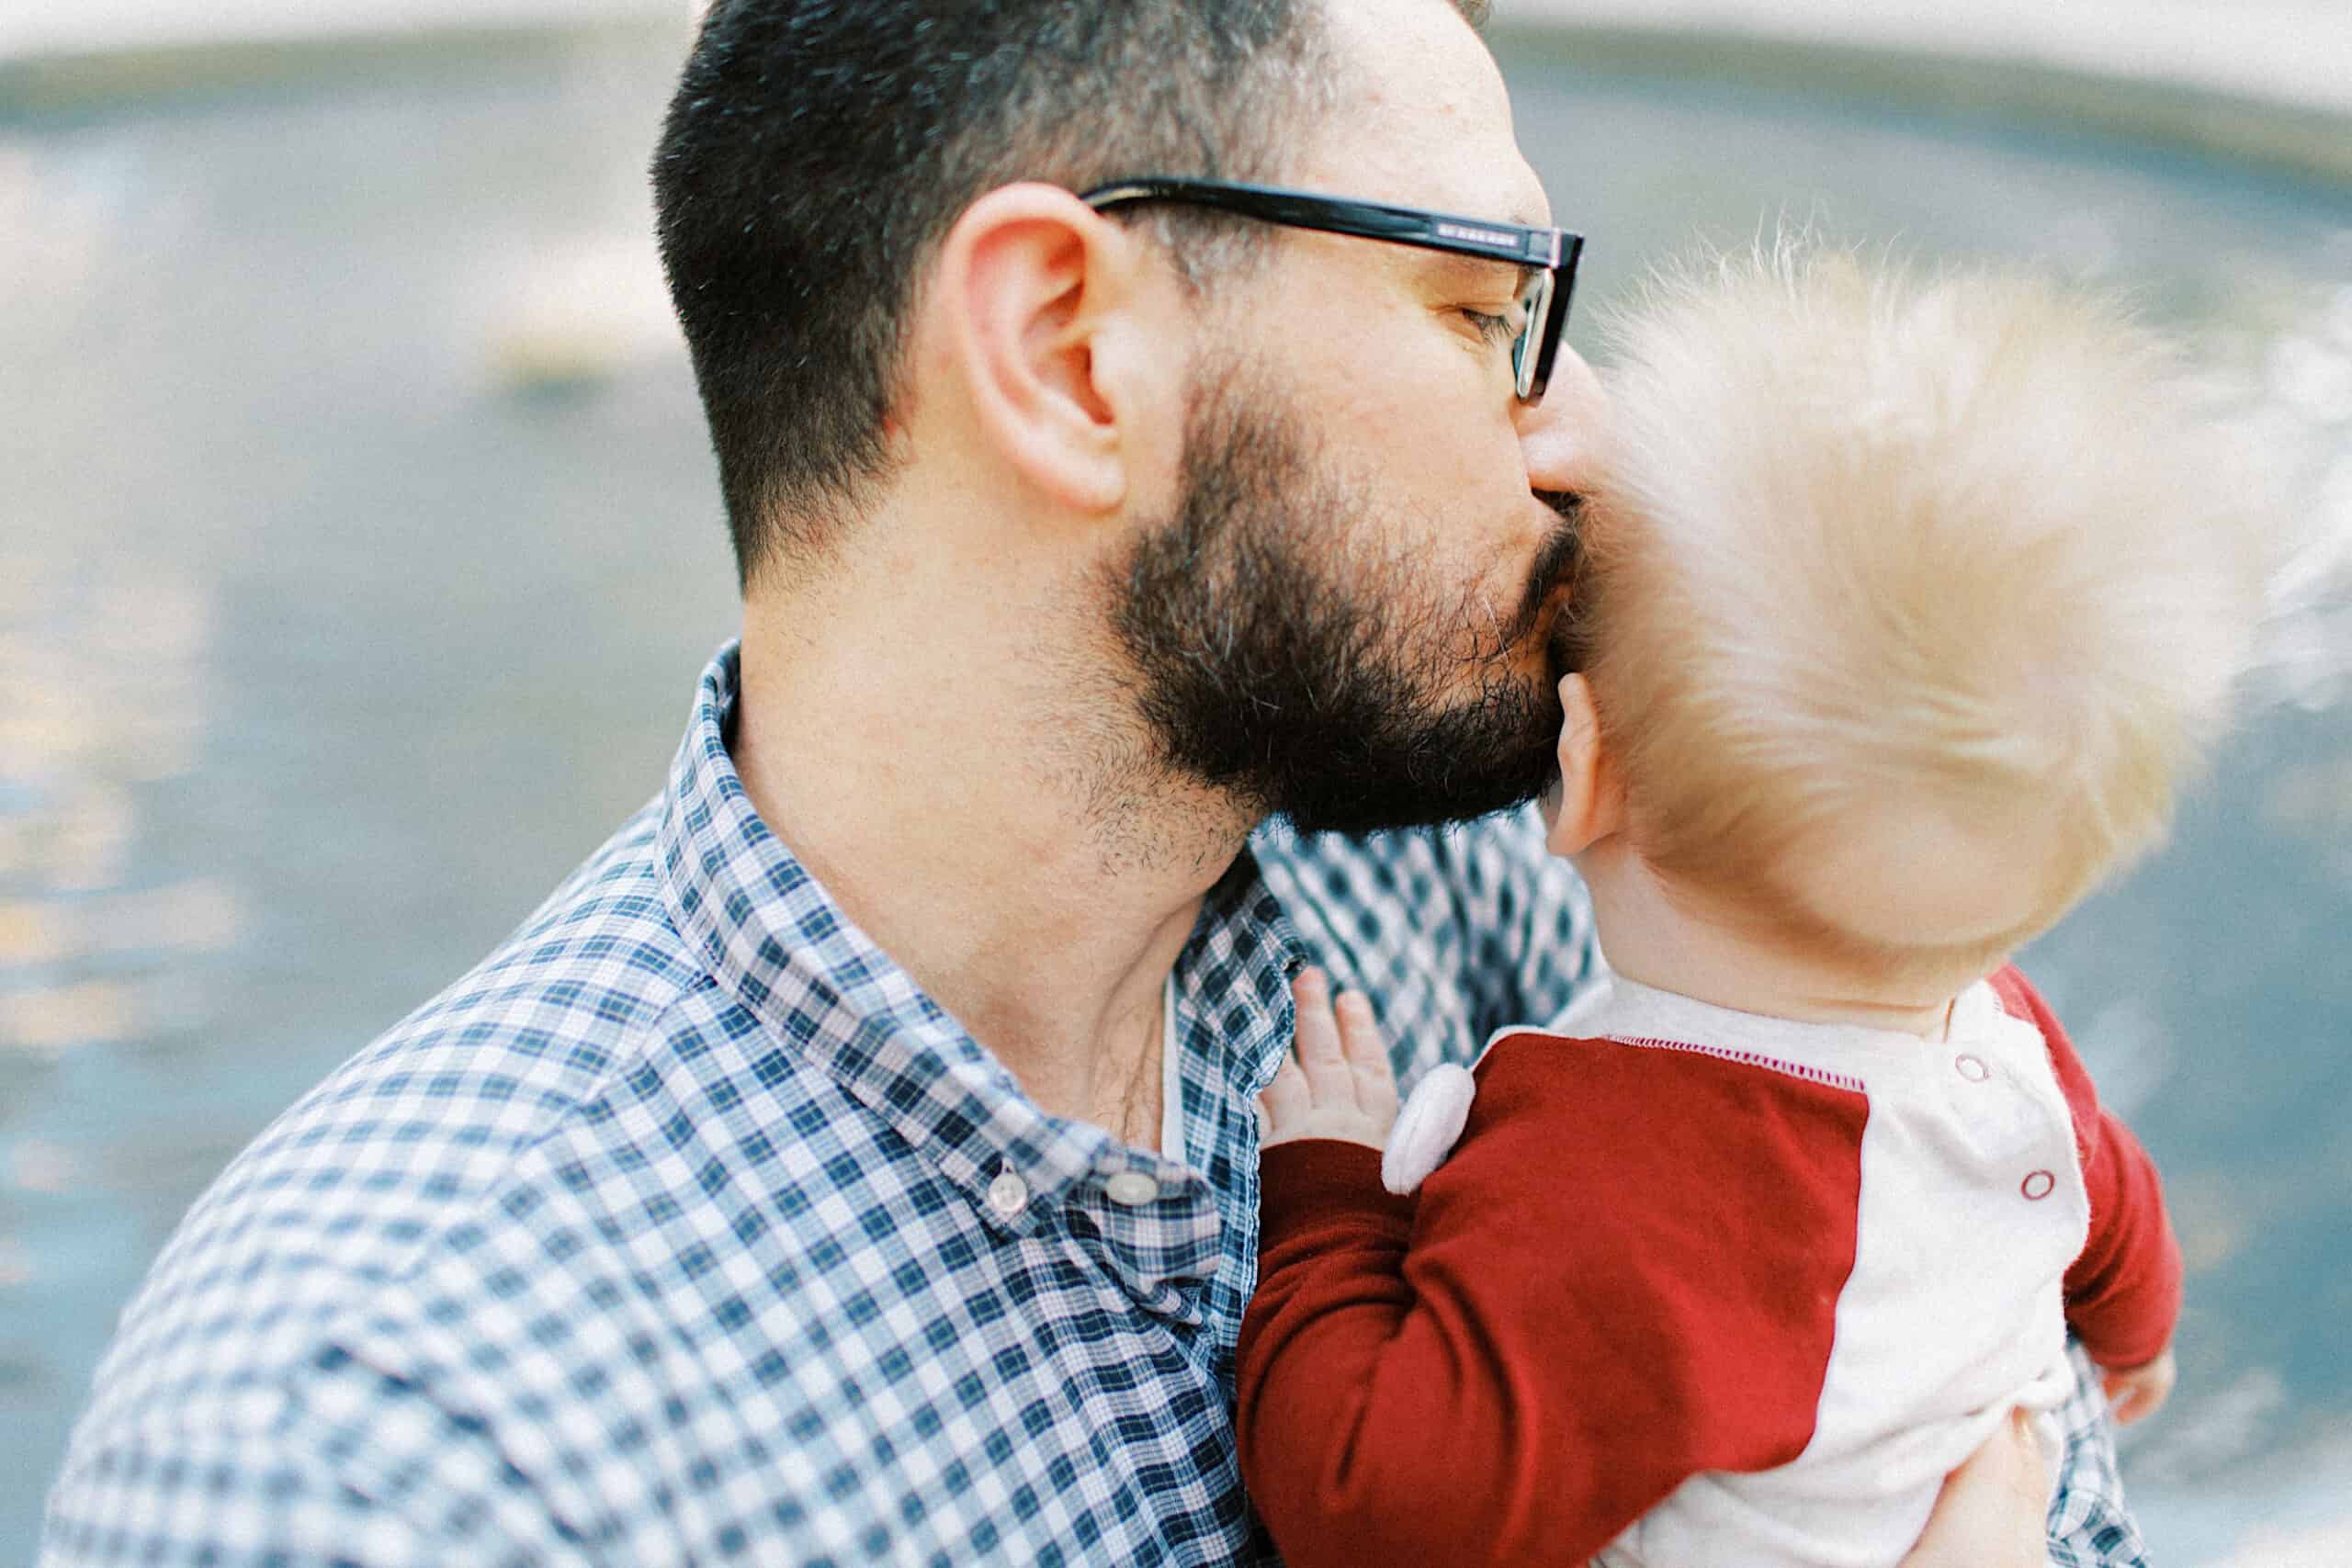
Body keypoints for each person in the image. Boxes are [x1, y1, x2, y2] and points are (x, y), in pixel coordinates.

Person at [42, 4, 2143, 1563]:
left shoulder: (1516, 905)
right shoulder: (400, 1452)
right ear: (1065, 349)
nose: (1577, 432)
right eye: (1475, 306)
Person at [1238, 247, 2272, 1566]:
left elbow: (1372, 1505)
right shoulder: (2002, 1045)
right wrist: (2133, 1348)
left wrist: (1334, 1202)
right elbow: (2113, 1209)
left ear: (1582, 775)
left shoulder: (1630, 1202)